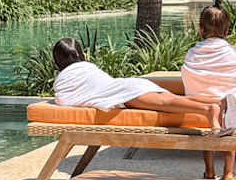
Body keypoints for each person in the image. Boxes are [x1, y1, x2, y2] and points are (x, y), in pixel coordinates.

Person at [52, 38, 226, 132]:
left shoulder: (65, 79)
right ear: (82, 55)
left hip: (126, 93)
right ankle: (217, 101)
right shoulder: (88, 68)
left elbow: (63, 99)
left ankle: (208, 110)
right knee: (171, 99)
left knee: (166, 102)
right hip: (128, 86)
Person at [182, 1, 236, 180]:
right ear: (226, 31)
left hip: (201, 100)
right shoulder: (230, 52)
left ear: (200, 29)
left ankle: (209, 171)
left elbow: (187, 73)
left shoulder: (193, 52)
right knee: (228, 125)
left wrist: (202, 91)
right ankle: (229, 172)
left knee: (208, 129)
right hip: (225, 100)